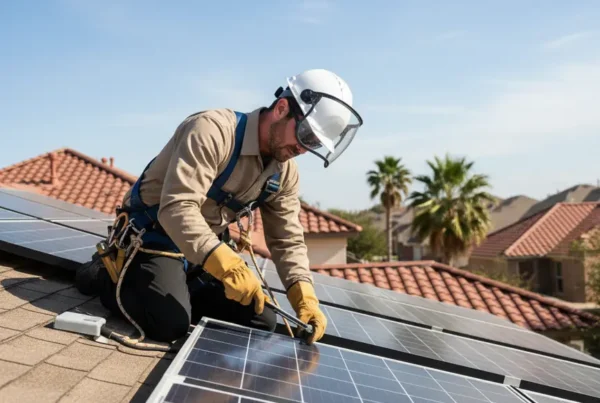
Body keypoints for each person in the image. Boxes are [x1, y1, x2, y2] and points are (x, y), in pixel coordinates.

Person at [75, 68, 363, 345]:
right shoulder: (213, 131)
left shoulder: (284, 172)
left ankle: (173, 290)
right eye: (305, 134)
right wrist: (225, 264)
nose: (303, 148)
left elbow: (287, 240)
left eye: (313, 142)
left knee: (262, 321)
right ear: (282, 108)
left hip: (202, 254)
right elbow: (177, 208)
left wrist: (304, 294)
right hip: (153, 238)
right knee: (169, 324)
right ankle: (104, 274)